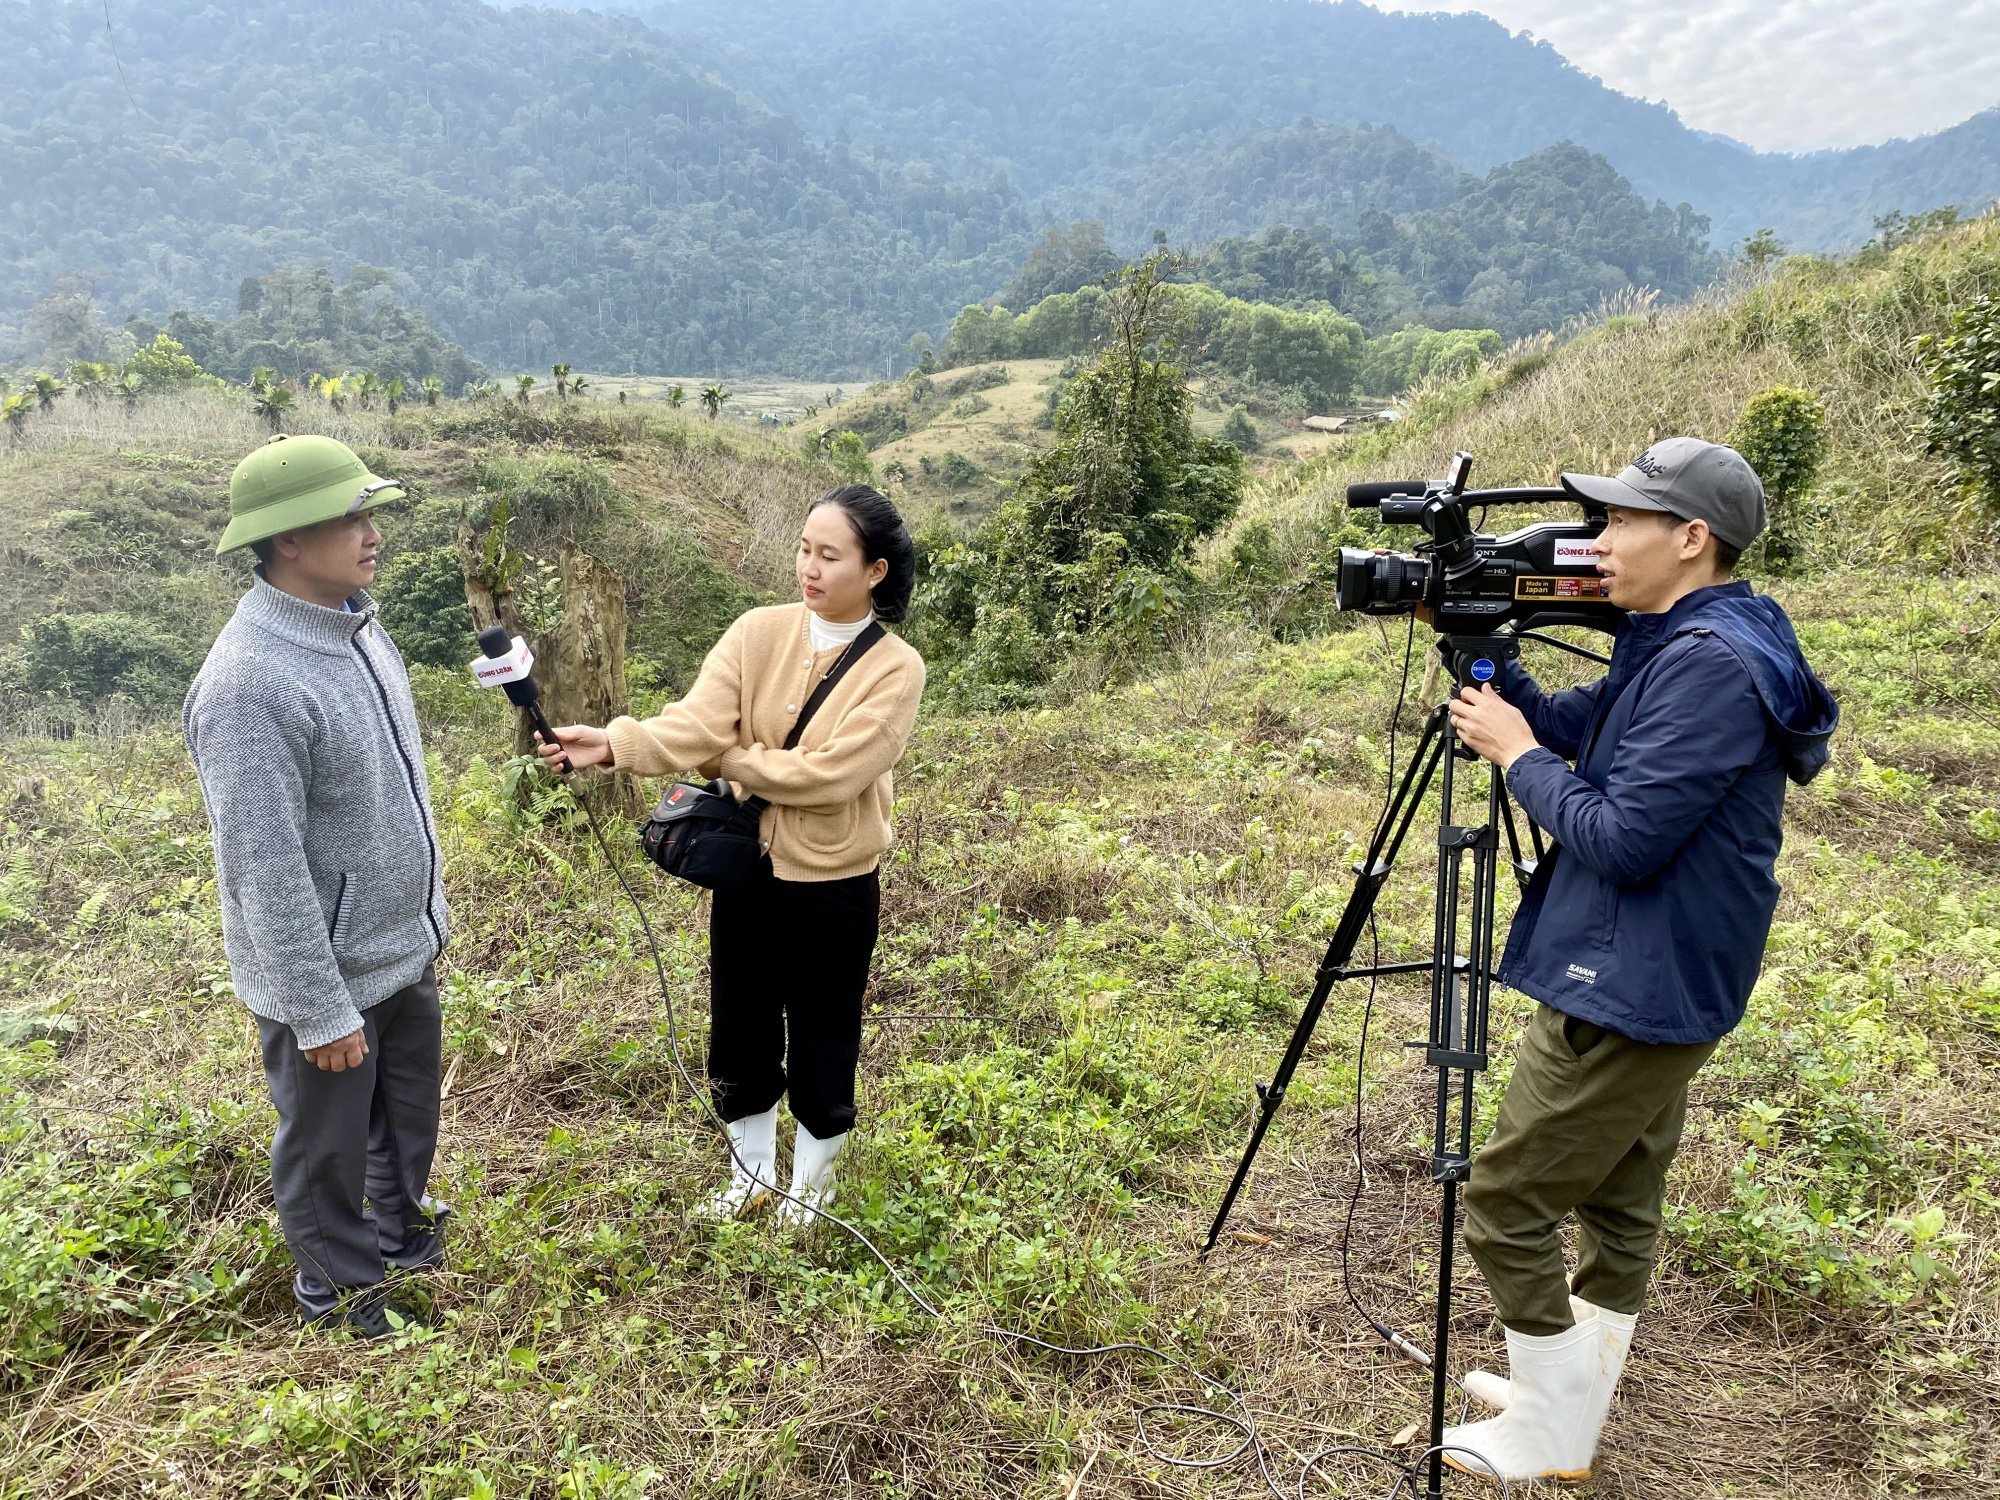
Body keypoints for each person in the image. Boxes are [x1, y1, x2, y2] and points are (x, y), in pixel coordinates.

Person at [1438, 438, 1838, 1482]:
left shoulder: (1706, 666)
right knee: (1616, 1203)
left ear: (1689, 539)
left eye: (1618, 524)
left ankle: (1550, 1428)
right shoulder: (1685, 634)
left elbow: (1620, 835)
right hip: (1667, 973)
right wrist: (1483, 658)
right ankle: (1560, 1397)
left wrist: (1510, 753)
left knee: (1505, 1203)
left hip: (1631, 978)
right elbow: (1585, 728)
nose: (1594, 544)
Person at [538, 484, 925, 1221]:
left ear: (874, 570)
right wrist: (614, 743)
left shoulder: (896, 668)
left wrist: (734, 761)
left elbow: (833, 774)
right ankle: (750, 1176)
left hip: (835, 881)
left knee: (823, 1028)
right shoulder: (757, 631)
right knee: (740, 1023)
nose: (808, 568)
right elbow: (694, 723)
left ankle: (810, 1188)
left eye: (829, 555)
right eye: (805, 550)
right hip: (750, 872)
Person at [184, 434, 451, 1337]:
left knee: (406, 1113)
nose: (371, 532)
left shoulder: (360, 626)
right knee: (327, 1144)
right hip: (327, 972)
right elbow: (262, 866)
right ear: (285, 540)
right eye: (348, 517)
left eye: (369, 511)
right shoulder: (248, 684)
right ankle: (341, 1294)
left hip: (401, 941)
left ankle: (401, 1235)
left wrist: (426, 921)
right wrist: (317, 1007)